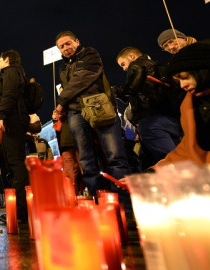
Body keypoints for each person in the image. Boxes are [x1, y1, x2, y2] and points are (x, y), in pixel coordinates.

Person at [54, 31, 132, 209]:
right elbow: (70, 88)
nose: (66, 48)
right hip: (75, 113)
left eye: (68, 44)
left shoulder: (90, 54)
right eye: (62, 46)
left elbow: (79, 81)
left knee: (115, 157)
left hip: (99, 108)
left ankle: (124, 206)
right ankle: (100, 202)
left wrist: (60, 103)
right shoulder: (63, 67)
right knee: (86, 161)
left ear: (77, 41)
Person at [115, 47, 182, 168]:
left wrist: (114, 91)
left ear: (132, 56)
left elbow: (131, 89)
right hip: (171, 120)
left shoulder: (136, 65)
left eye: (123, 64)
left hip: (150, 120)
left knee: (171, 162)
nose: (124, 68)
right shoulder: (159, 67)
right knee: (178, 156)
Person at [0, 50, 30, 223]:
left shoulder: (11, 72)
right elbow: (0, 97)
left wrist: (2, 115)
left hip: (12, 122)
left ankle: (20, 212)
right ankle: (16, 209)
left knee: (15, 163)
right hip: (9, 123)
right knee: (9, 163)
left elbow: (9, 95)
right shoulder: (9, 74)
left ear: (6, 60)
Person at [157, 41, 210, 165]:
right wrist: (151, 173)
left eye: (185, 77)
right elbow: (187, 148)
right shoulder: (190, 104)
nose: (182, 85)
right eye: (178, 81)